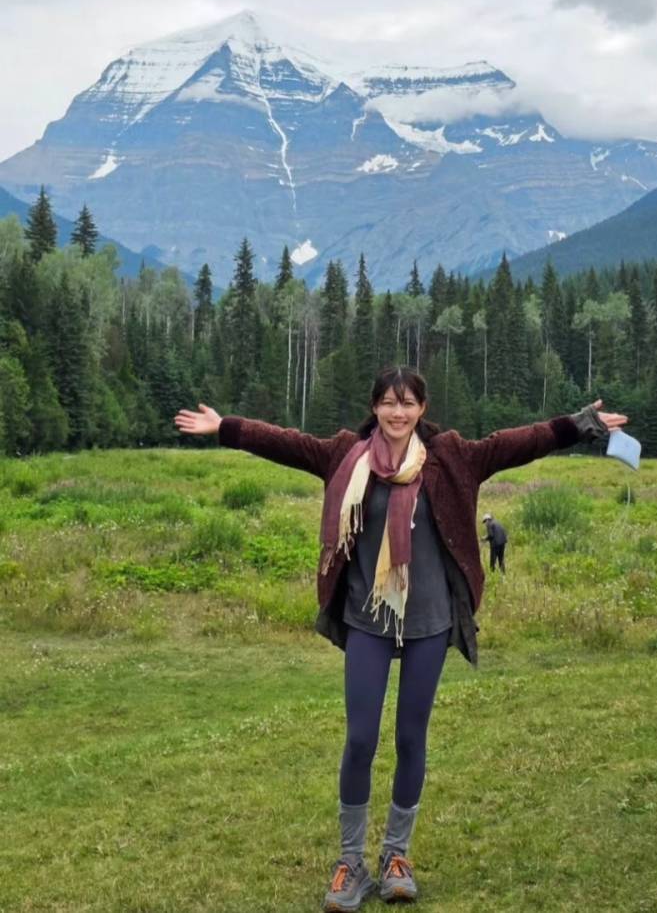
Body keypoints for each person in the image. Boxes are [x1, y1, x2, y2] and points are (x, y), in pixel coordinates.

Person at [174, 367, 626, 911]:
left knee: (411, 738)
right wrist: (225, 427)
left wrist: (581, 424)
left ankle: (396, 857)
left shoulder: (451, 456)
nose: (397, 412)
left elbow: (518, 443)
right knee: (360, 739)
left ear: (421, 409)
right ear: (375, 407)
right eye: (389, 402)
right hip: (367, 618)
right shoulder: (347, 454)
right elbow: (287, 444)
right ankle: (351, 863)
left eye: (408, 403)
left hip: (428, 622)